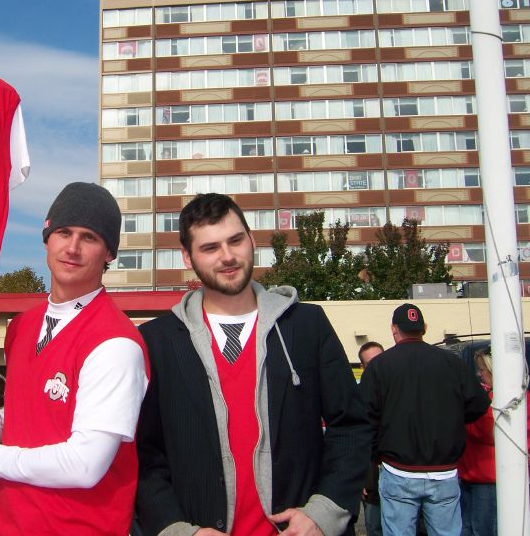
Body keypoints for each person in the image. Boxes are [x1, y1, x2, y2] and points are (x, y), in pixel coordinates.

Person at [135, 193, 371, 536]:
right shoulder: (157, 341)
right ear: (187, 257)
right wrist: (177, 529)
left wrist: (323, 513)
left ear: (251, 239)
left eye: (235, 240)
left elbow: (351, 426)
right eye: (210, 247)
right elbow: (144, 453)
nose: (228, 256)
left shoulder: (306, 324)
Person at [0, 182, 149, 536]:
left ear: (109, 253)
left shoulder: (116, 343)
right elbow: (38, 422)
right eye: (63, 232)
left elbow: (86, 464)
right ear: (47, 237)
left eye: (89, 237)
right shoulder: (22, 327)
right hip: (5, 525)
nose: (72, 248)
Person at [360, 304, 490, 536]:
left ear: (394, 329)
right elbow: (479, 404)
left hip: (398, 468)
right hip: (443, 469)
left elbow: (365, 417)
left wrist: (374, 455)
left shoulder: (379, 365)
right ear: (424, 329)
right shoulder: (452, 363)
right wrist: (452, 420)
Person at [458, 348, 497, 536]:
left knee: (482, 530)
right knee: (466, 529)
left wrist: (462, 420)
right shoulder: (484, 397)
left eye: (482, 369)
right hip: (468, 473)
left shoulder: (503, 401)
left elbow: (489, 433)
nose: (479, 374)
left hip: (487, 478)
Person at [358, 342, 385, 536]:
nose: (377, 367)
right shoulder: (357, 397)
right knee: (375, 528)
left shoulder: (399, 390)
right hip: (372, 482)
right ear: (362, 367)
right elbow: (355, 440)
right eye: (370, 363)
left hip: (403, 474)